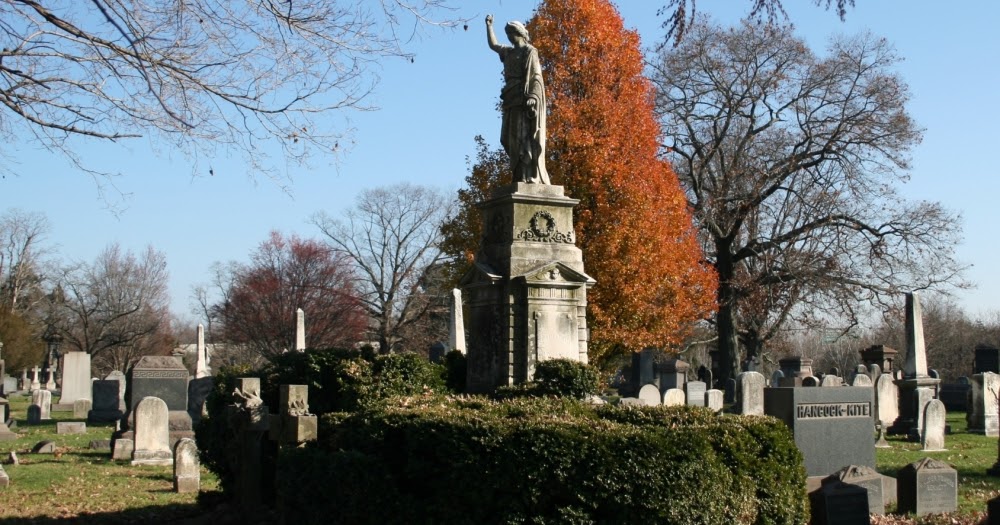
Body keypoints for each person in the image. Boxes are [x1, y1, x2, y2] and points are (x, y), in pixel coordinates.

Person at [486, 15, 550, 184]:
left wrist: (533, 97)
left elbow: (536, 76)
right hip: (510, 99)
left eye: (511, 33)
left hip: (523, 99)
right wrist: (489, 26)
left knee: (524, 137)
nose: (508, 37)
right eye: (507, 34)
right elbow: (493, 45)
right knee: (510, 139)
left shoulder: (529, 51)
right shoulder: (508, 52)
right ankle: (518, 174)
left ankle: (528, 174)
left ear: (520, 33)